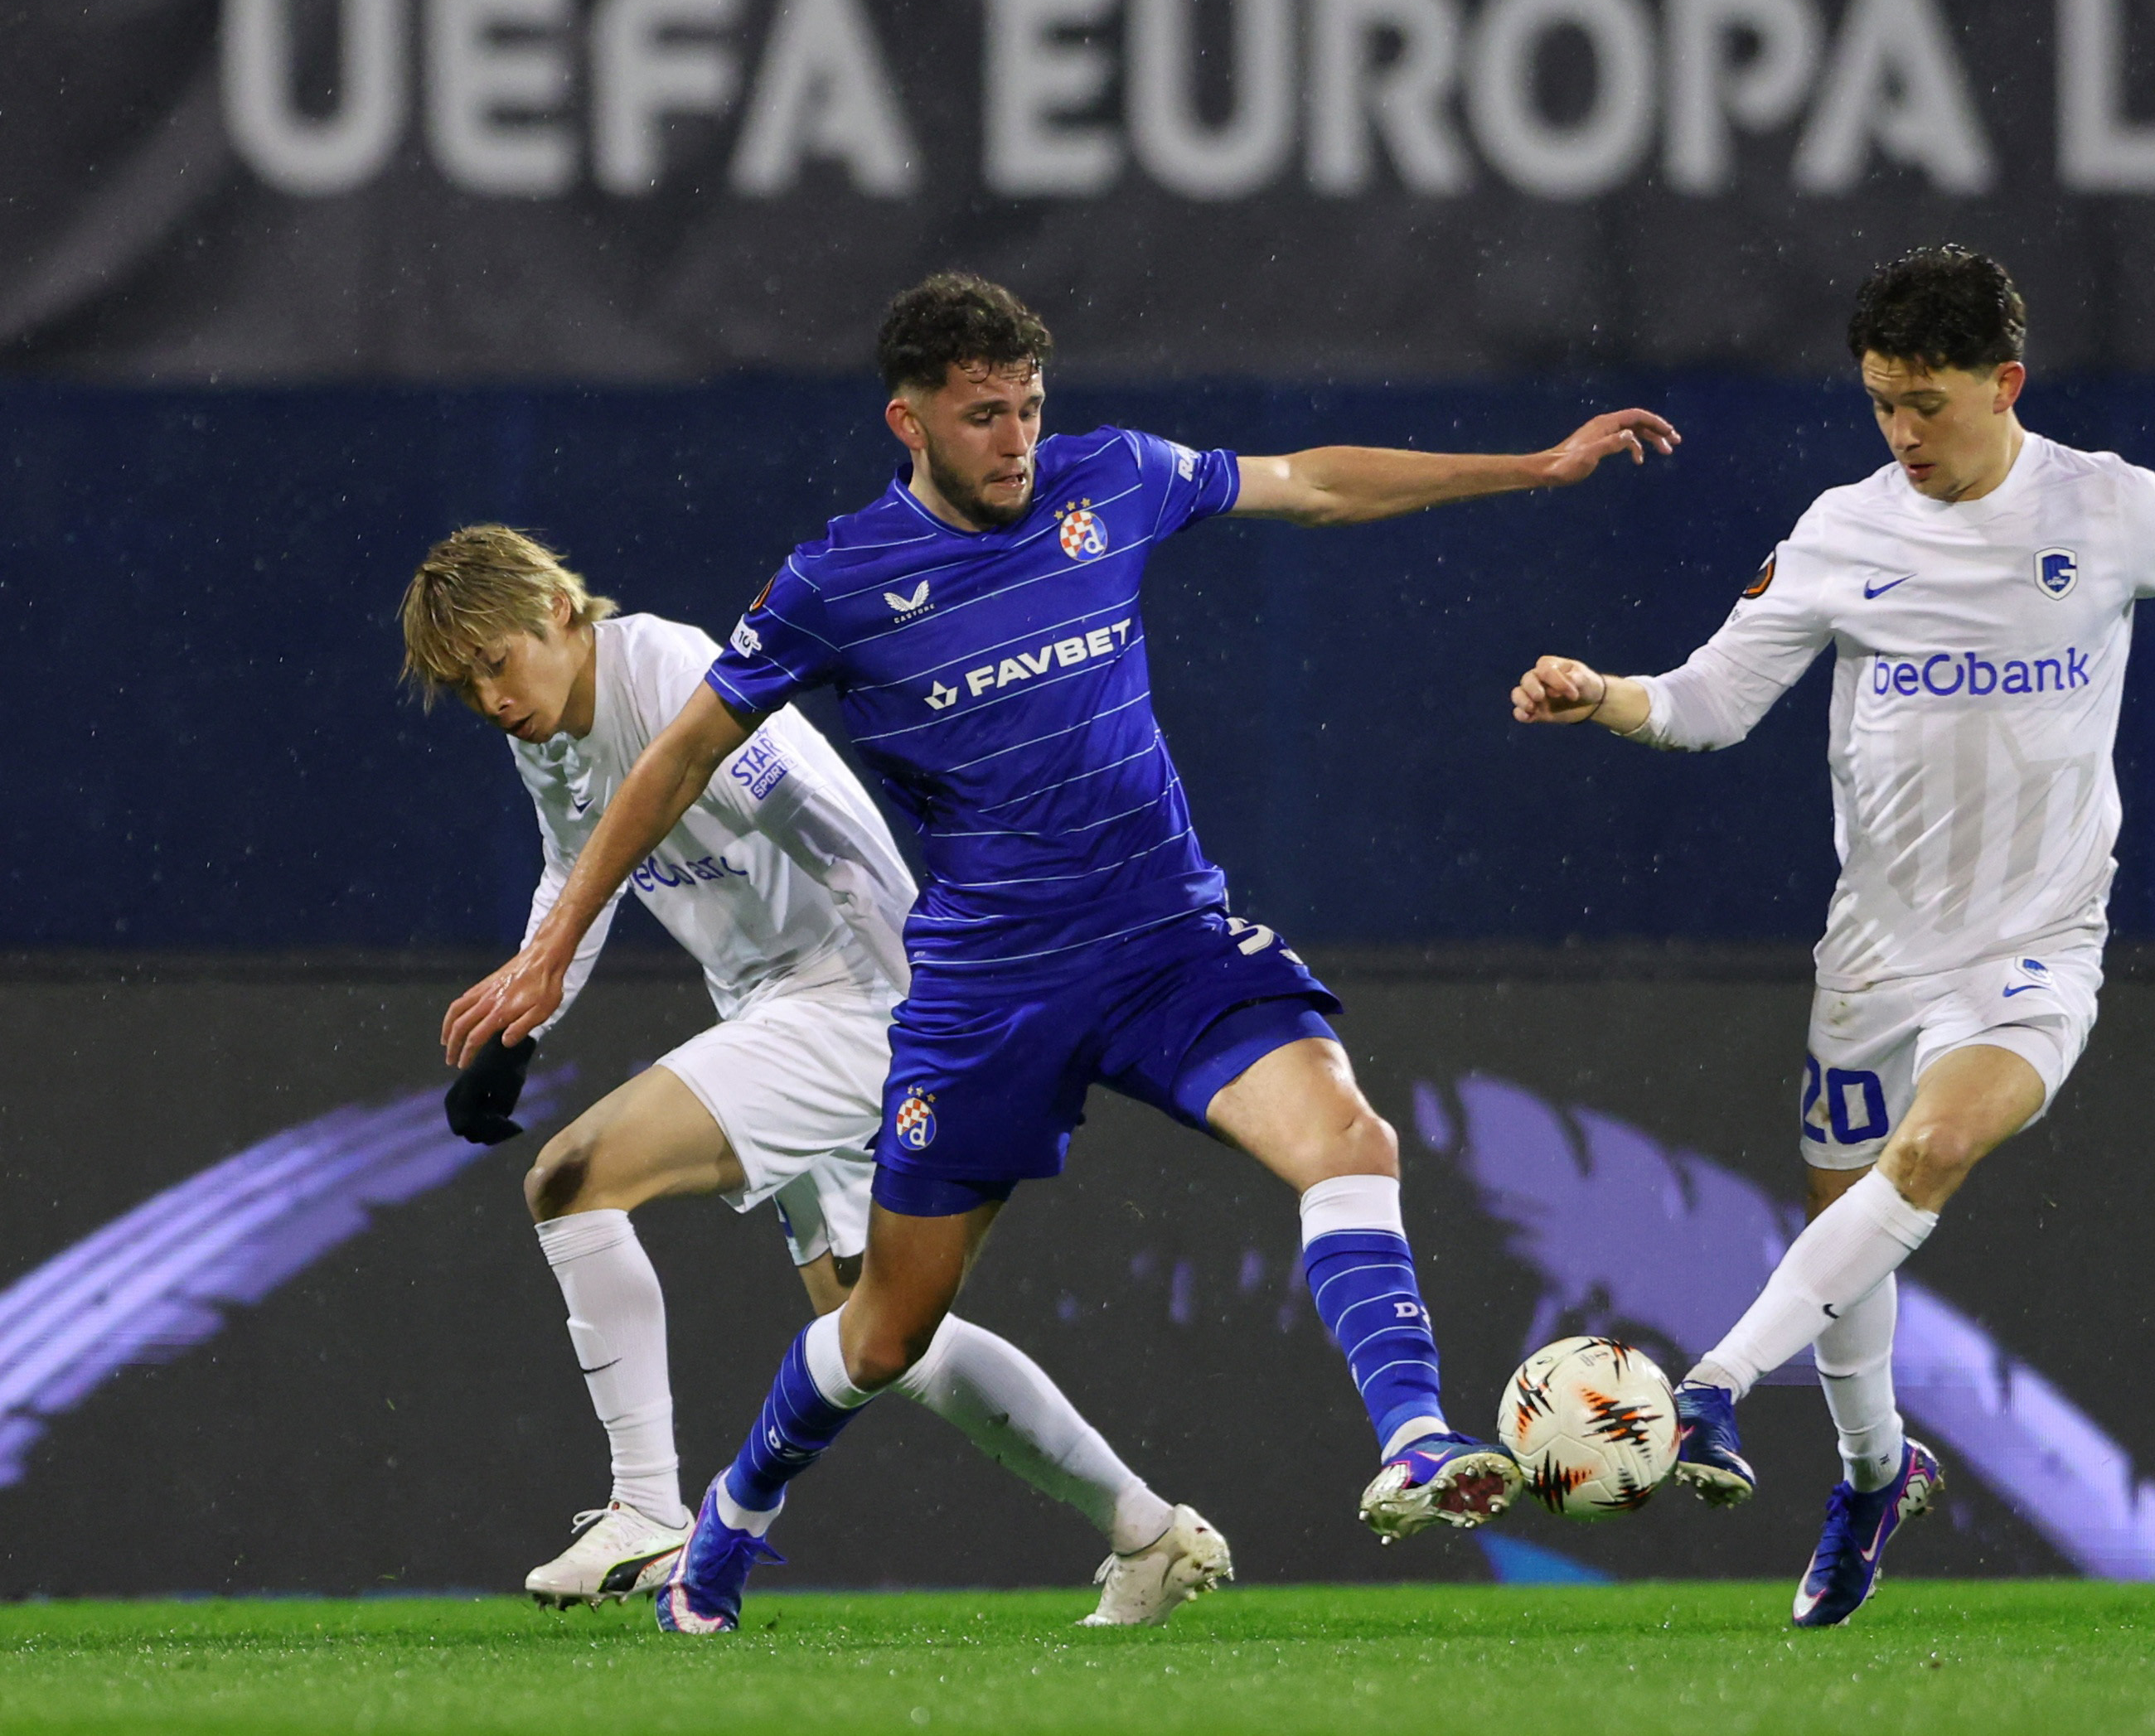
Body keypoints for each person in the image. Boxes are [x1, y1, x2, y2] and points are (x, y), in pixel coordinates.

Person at [441, 273, 1680, 1634]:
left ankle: (1416, 1438)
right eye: (984, 417)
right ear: (906, 421)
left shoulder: (1118, 482)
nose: (1017, 440)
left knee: (1349, 1138)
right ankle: (725, 1526)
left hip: (1165, 936)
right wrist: (555, 947)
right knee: (882, 1333)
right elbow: (682, 758)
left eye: (1030, 407)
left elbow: (1312, 483)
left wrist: (1530, 464)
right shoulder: (834, 581)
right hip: (983, 990)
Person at [1509, 244, 2155, 1627]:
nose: (1903, 433)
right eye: (1879, 403)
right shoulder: (1839, 533)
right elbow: (1709, 703)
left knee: (1926, 1154)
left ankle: (1704, 1389)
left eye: (1926, 401)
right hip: (1871, 953)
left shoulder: (2111, 507)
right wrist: (1604, 693)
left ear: (2005, 383)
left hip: (2034, 944)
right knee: (1850, 1250)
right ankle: (1873, 1474)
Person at [403, 525, 1225, 1625]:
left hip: (853, 993)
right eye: (465, 687)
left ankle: (646, 1507)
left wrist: (926, 1008)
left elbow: (822, 818)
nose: (491, 697)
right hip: (784, 1004)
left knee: (572, 1177)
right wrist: (520, 1025)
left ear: (557, 606)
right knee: (883, 1331)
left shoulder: (670, 670)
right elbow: (575, 860)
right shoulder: (549, 739)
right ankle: (1147, 1529)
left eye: (495, 661)